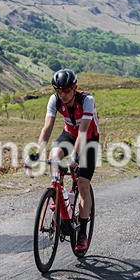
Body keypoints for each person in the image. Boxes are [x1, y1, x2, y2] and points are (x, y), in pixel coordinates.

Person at [29, 69, 99, 253]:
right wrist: (37, 152)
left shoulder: (87, 100)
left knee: (83, 184)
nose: (63, 95)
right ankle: (57, 193)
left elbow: (83, 131)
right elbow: (47, 127)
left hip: (88, 138)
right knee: (54, 156)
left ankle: (82, 232)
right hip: (69, 133)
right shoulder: (55, 100)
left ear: (74, 88)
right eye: (59, 91)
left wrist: (75, 156)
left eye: (67, 90)